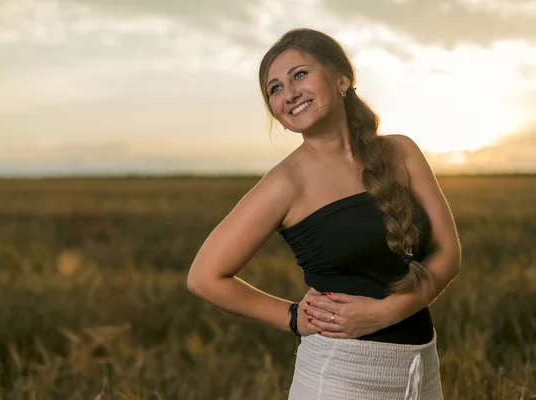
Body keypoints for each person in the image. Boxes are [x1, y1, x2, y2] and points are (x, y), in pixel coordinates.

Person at [187, 28, 461, 400]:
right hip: (340, 376)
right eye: (275, 89)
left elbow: (448, 253)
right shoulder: (285, 183)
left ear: (342, 78)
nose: (289, 93)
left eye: (299, 74)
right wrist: (294, 318)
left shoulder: (402, 151)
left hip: (422, 367)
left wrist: (391, 311)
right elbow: (204, 277)